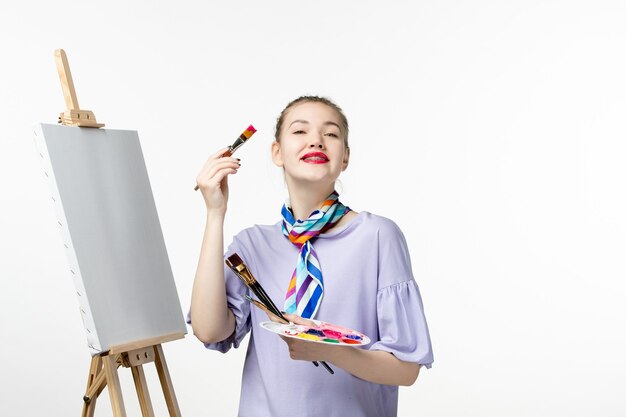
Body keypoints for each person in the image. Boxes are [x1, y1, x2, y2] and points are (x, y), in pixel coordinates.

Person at [190, 96, 433, 417]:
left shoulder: (378, 236)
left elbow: (406, 370)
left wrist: (331, 351)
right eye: (300, 131)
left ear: (345, 157)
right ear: (277, 152)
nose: (316, 140)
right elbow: (209, 331)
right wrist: (215, 214)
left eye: (331, 134)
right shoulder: (251, 244)